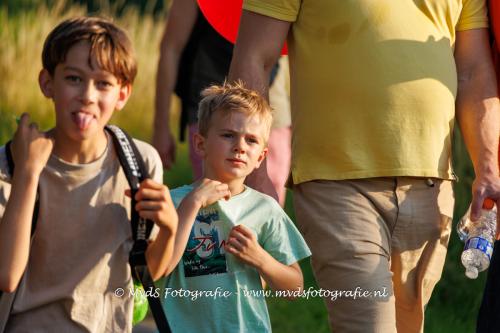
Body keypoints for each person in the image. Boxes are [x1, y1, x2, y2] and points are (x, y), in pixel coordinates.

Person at [228, 1, 500, 332]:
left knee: (406, 325)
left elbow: (473, 71)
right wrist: (254, 175)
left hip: (431, 185)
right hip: (335, 182)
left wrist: (487, 168)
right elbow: (253, 57)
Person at [0, 17, 178, 332]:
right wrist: (28, 173)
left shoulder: (139, 163)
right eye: (73, 78)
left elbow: (146, 273)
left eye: (104, 84)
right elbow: (7, 274)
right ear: (47, 83)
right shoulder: (11, 164)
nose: (88, 95)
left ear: (122, 94)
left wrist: (168, 229)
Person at [158, 82, 310, 332]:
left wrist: (261, 259)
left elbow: (295, 288)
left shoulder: (265, 209)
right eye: (228, 135)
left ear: (261, 157)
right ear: (200, 144)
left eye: (251, 140)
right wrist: (193, 204)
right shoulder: (174, 202)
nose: (240, 146)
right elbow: (160, 270)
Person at [152, 0, 291, 206]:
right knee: (216, 205)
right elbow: (171, 48)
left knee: (268, 205)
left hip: (273, 109)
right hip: (211, 109)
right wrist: (161, 126)